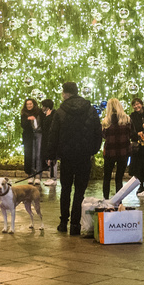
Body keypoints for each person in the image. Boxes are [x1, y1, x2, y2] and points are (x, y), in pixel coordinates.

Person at [45, 81, 103, 234]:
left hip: (67, 156)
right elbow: (98, 133)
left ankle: (64, 222)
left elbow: (53, 135)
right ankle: (76, 225)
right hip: (84, 156)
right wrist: (92, 151)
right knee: (79, 190)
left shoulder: (60, 111)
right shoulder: (90, 110)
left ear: (65, 93)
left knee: (65, 189)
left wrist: (51, 155)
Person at [100, 98, 132, 199]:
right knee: (119, 178)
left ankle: (106, 199)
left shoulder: (106, 121)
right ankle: (119, 201)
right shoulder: (127, 119)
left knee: (107, 177)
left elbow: (104, 136)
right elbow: (132, 134)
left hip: (110, 152)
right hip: (124, 152)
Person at [127, 96, 144, 184]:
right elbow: (130, 130)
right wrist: (137, 134)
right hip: (137, 144)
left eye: (138, 104)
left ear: (142, 104)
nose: (136, 106)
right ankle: (140, 184)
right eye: (134, 105)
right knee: (137, 166)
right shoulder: (132, 116)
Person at [20, 98, 43, 180]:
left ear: (34, 104)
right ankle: (30, 174)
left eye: (30, 104)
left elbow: (43, 123)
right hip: (28, 137)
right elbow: (22, 125)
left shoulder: (39, 112)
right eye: (27, 104)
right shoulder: (24, 114)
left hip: (39, 135)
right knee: (30, 155)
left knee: (38, 155)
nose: (29, 106)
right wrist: (28, 119)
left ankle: (38, 175)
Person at [40, 98, 58, 182]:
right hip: (45, 138)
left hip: (51, 138)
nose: (42, 108)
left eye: (43, 106)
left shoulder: (54, 115)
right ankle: (50, 176)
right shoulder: (45, 115)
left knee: (52, 158)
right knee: (47, 157)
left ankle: (53, 177)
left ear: (47, 107)